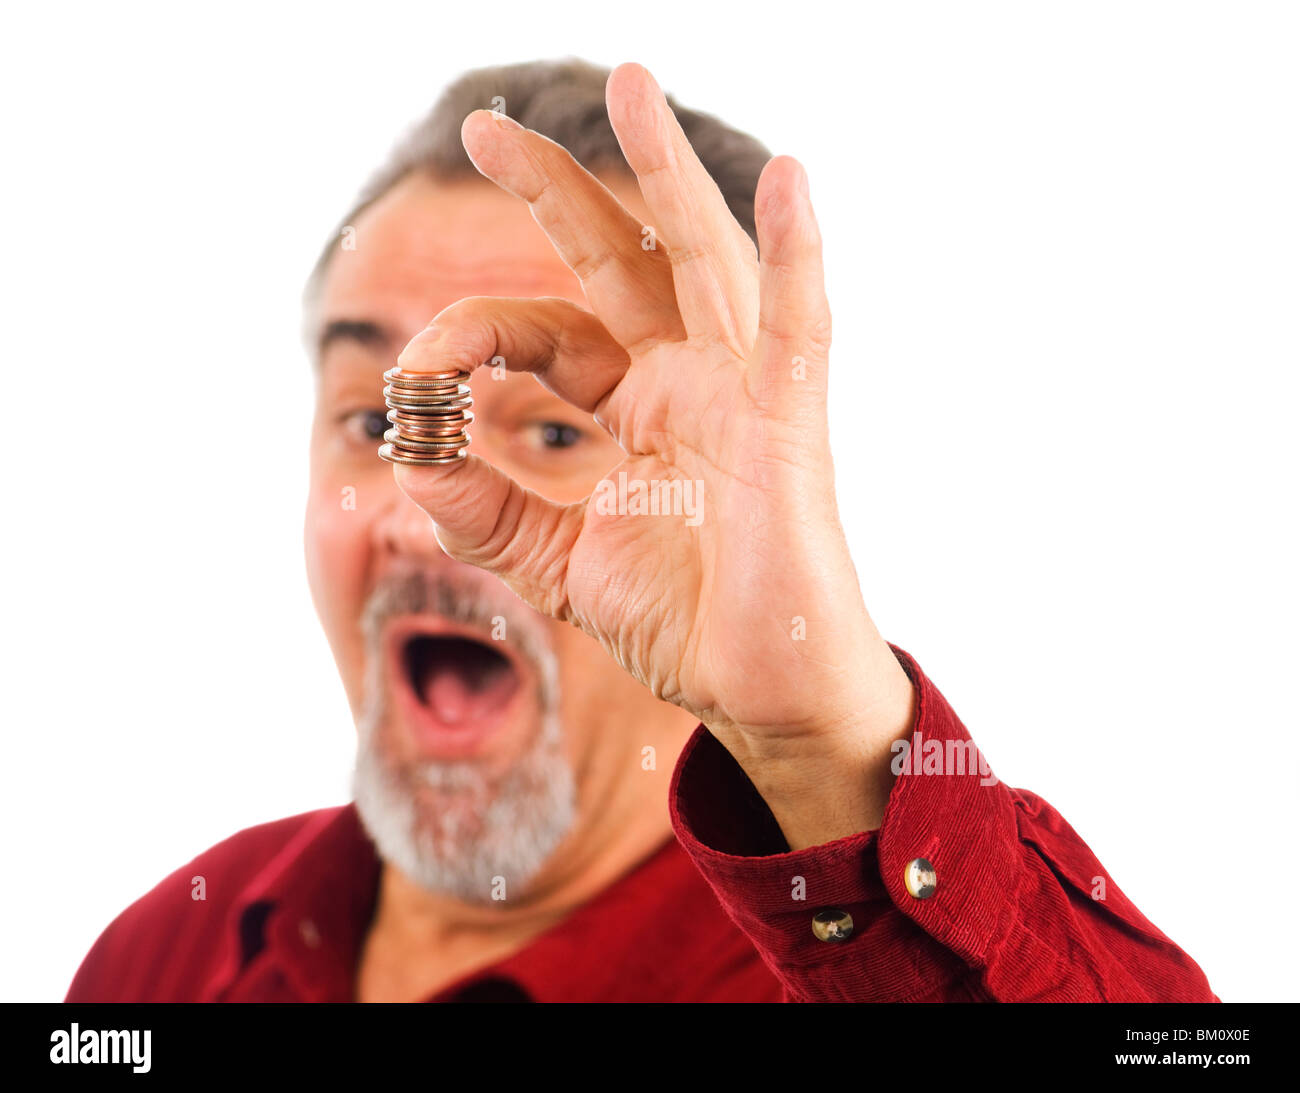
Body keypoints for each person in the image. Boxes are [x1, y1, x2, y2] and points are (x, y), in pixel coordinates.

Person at [66, 58, 1217, 1003]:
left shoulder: (834, 977)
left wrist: (822, 743)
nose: (433, 516)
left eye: (558, 433)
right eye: (378, 418)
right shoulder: (159, 958)